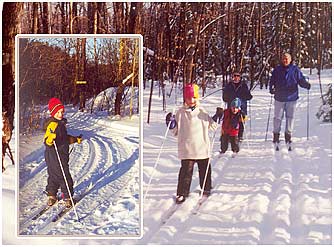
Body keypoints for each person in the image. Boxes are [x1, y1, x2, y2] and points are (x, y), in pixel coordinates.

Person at [165, 84, 223, 204]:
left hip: (202, 146)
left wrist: (218, 116)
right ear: (185, 99)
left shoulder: (202, 111)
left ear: (197, 98)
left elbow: (212, 125)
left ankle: (206, 188)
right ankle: (182, 193)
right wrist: (171, 124)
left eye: (194, 97)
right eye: (188, 98)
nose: (191, 100)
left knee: (205, 169)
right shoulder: (180, 113)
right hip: (187, 148)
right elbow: (175, 131)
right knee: (186, 172)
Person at [43, 97, 82, 208]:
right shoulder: (53, 125)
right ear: (53, 112)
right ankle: (67, 197)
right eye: (58, 112)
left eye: (62, 112)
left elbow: (64, 139)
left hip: (59, 154)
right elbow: (47, 141)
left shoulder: (60, 124)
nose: (60, 114)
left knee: (54, 174)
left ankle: (52, 195)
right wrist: (50, 139)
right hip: (55, 154)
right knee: (64, 176)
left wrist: (75, 139)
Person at [269, 53, 311, 146]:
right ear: (282, 59)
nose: (285, 60)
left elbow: (301, 80)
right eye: (284, 58)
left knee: (290, 118)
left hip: (292, 98)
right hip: (279, 97)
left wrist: (306, 85)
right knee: (277, 118)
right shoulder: (277, 69)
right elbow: (272, 80)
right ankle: (276, 136)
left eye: (287, 59)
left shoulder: (295, 69)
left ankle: (288, 136)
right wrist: (271, 88)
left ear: (290, 59)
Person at [223, 71, 252, 141]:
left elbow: (248, 95)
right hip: (231, 106)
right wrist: (226, 98)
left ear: (240, 77)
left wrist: (248, 96)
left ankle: (240, 135)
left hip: (242, 106)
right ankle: (231, 136)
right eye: (234, 76)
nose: (236, 78)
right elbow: (224, 96)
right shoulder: (229, 85)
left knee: (241, 120)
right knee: (231, 121)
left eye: (237, 76)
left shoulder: (244, 85)